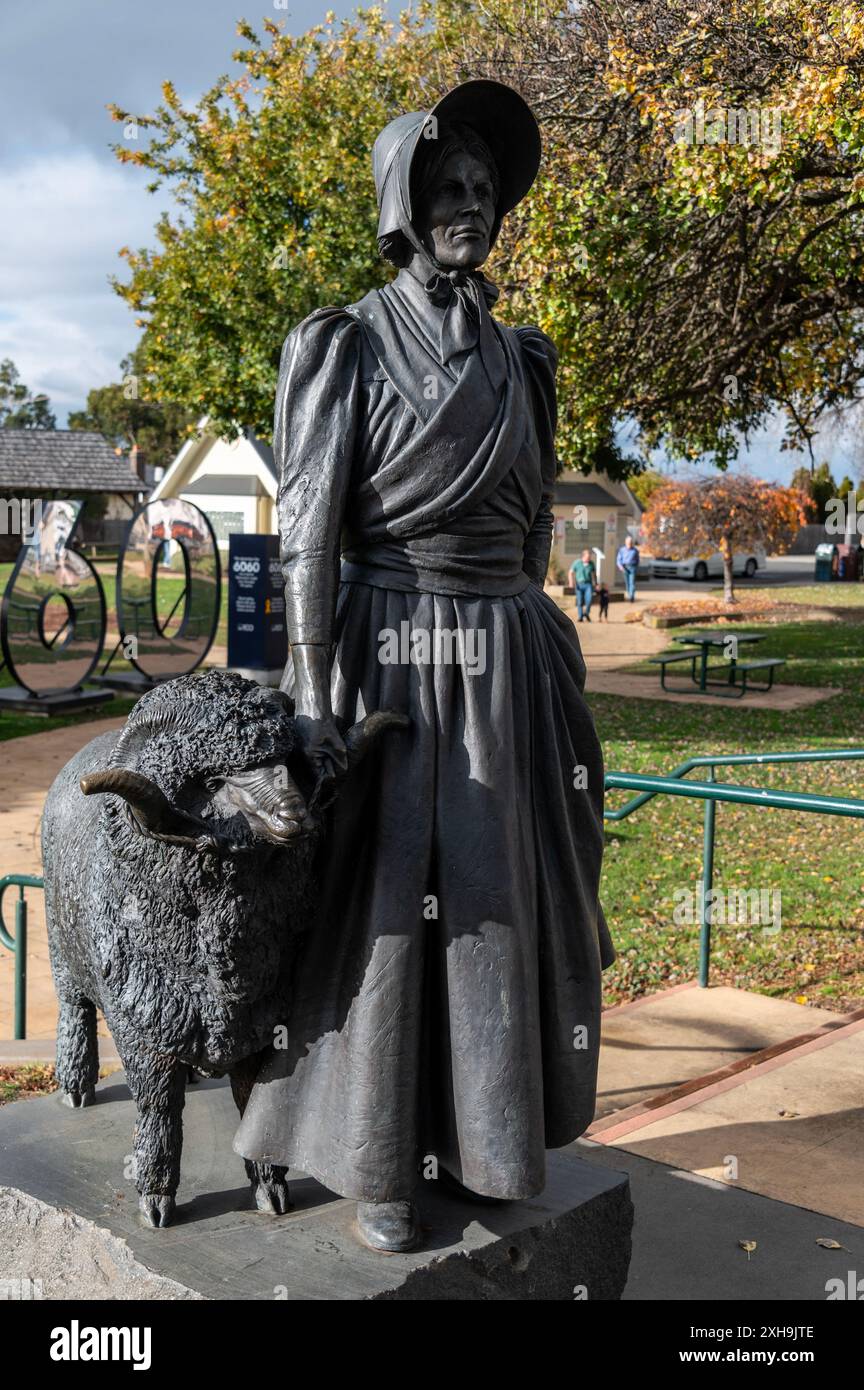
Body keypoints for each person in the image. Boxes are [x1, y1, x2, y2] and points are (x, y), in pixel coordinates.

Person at [233, 79, 613, 1255]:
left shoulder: (524, 359)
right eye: (447, 187)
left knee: (496, 906)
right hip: (391, 650)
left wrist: (529, 621)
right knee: (391, 905)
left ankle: (492, 1139)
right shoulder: (342, 343)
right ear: (404, 203)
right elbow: (306, 524)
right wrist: (307, 674)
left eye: (485, 191)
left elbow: (536, 516)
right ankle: (374, 1161)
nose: (470, 206)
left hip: (500, 659)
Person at [570, 548, 597, 622]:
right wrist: (571, 582)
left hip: (588, 584)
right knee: (579, 601)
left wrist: (596, 584)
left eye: (590, 557)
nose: (589, 558)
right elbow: (571, 572)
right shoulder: (577, 563)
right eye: (587, 557)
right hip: (579, 584)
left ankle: (586, 613)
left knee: (589, 600)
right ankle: (580, 616)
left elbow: (594, 574)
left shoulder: (591, 564)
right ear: (583, 556)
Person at [616, 533, 640, 601]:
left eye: (630, 543)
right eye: (628, 543)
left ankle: (631, 596)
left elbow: (637, 559)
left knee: (632, 582)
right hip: (624, 567)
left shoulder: (635, 550)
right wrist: (620, 567)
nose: (629, 544)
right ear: (625, 543)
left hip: (632, 567)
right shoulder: (622, 550)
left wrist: (636, 566)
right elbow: (618, 560)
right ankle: (629, 594)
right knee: (627, 582)